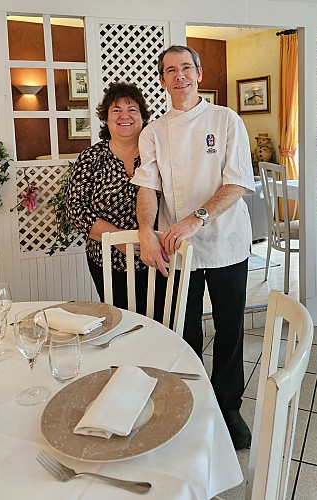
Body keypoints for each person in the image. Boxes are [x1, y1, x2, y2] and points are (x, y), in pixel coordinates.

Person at [132, 45, 256, 450]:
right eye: (170, 70)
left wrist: (196, 218)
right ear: (162, 80)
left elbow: (237, 182)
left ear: (199, 74)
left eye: (186, 67)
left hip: (226, 243)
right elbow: (147, 186)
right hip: (177, 250)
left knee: (229, 329)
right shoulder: (153, 132)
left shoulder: (226, 120)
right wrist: (146, 231)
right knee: (183, 331)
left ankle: (229, 407)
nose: (179, 76)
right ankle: (190, 403)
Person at [67, 82, 154, 310]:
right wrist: (118, 239)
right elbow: (76, 209)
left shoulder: (157, 154)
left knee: (158, 322)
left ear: (143, 117)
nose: (125, 116)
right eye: (116, 110)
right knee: (120, 321)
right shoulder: (91, 157)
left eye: (132, 109)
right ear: (106, 118)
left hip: (156, 259)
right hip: (107, 261)